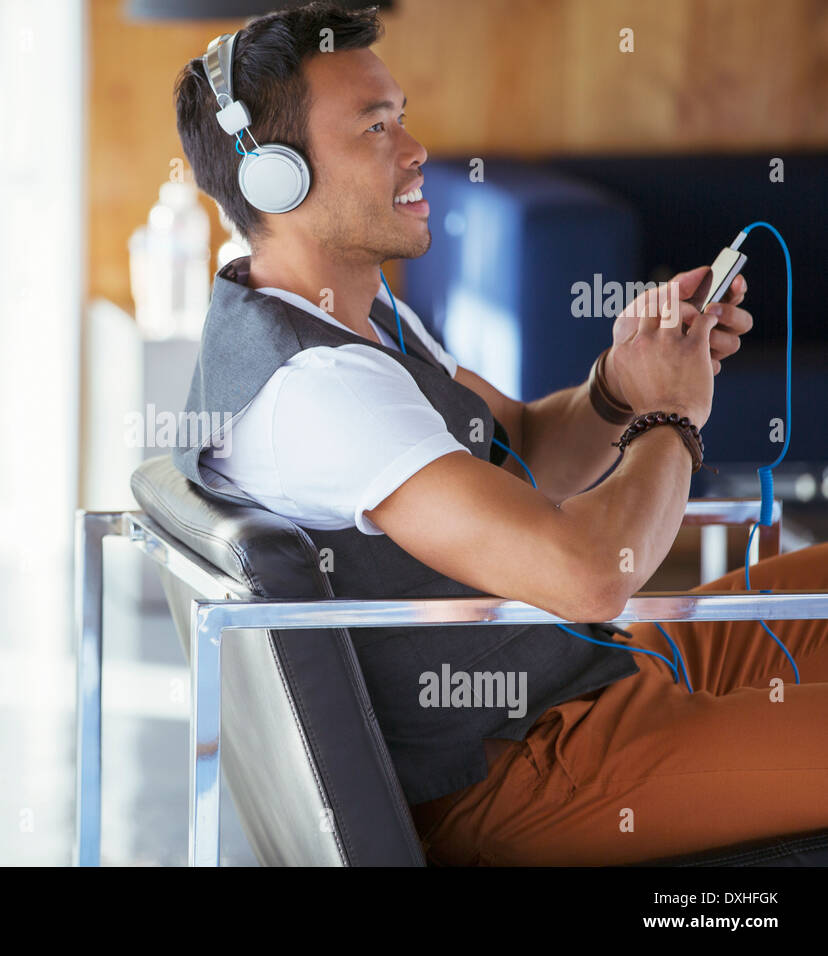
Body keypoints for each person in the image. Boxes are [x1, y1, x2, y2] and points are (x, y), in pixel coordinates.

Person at [169, 0, 828, 865]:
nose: (416, 150)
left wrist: (619, 385)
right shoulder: (318, 392)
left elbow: (518, 441)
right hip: (531, 764)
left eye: (401, 117)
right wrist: (674, 415)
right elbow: (592, 577)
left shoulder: (354, 318)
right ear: (275, 180)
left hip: (577, 676)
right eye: (374, 128)